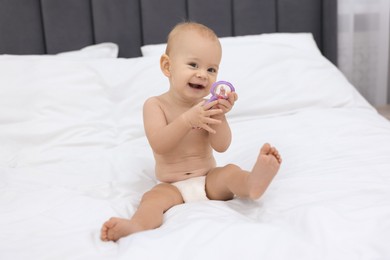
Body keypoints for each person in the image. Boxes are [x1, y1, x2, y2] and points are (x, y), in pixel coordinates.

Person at [100, 21, 282, 242]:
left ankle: (252, 184)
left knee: (230, 172)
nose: (203, 74)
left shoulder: (208, 106)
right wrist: (186, 120)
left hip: (208, 180)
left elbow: (222, 146)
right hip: (171, 185)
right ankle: (137, 225)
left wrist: (220, 116)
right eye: (193, 65)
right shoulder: (155, 105)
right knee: (151, 200)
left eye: (211, 69)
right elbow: (160, 144)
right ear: (168, 67)